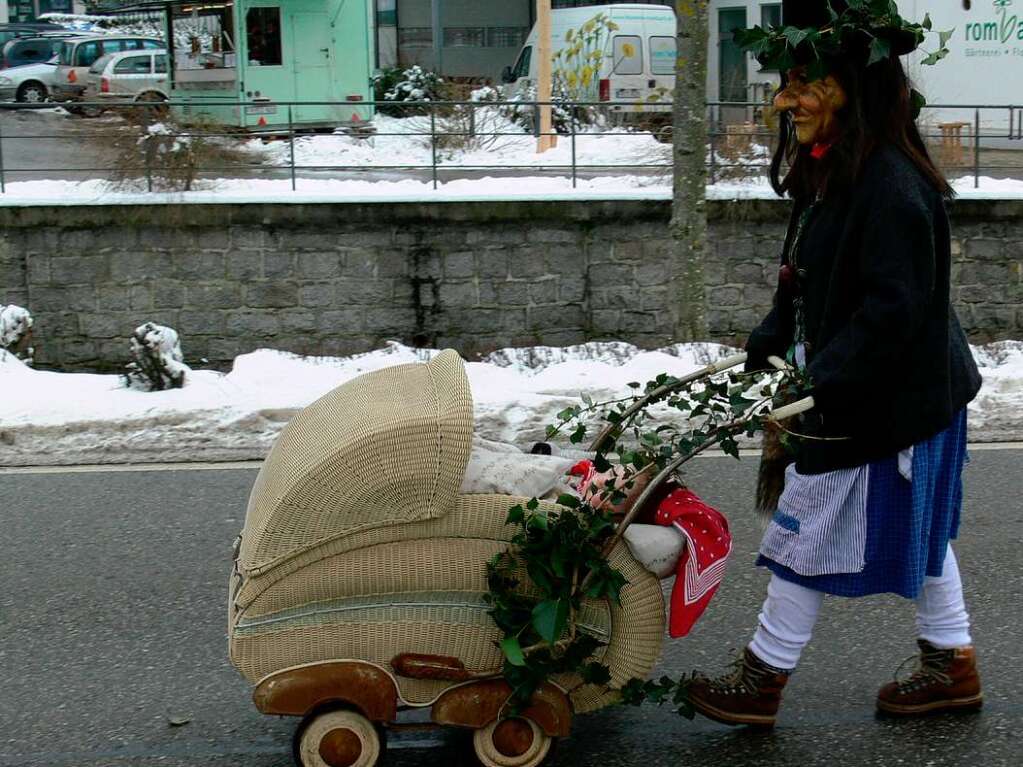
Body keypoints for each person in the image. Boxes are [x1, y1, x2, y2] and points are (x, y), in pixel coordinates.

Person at [686, 0, 984, 728]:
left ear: (854, 86)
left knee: (803, 528)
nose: (785, 100)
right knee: (921, 535)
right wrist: (772, 328)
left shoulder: (890, 187)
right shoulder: (837, 170)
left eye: (805, 83)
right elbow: (806, 272)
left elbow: (892, 310)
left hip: (893, 399)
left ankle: (760, 680)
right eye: (787, 82)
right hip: (874, 385)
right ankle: (953, 667)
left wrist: (820, 379)